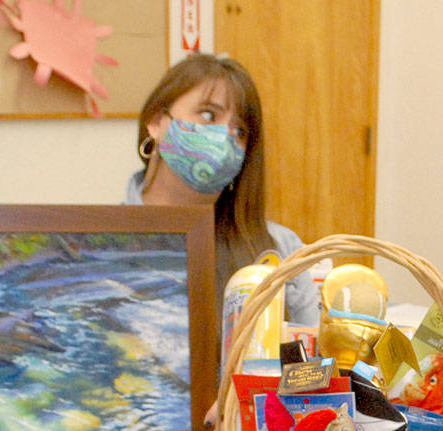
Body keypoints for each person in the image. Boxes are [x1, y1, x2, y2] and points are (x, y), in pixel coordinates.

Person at [126, 54, 319, 327]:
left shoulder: (279, 249)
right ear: (157, 121)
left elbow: (311, 348)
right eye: (208, 115)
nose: (224, 138)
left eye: (240, 131)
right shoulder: (99, 240)